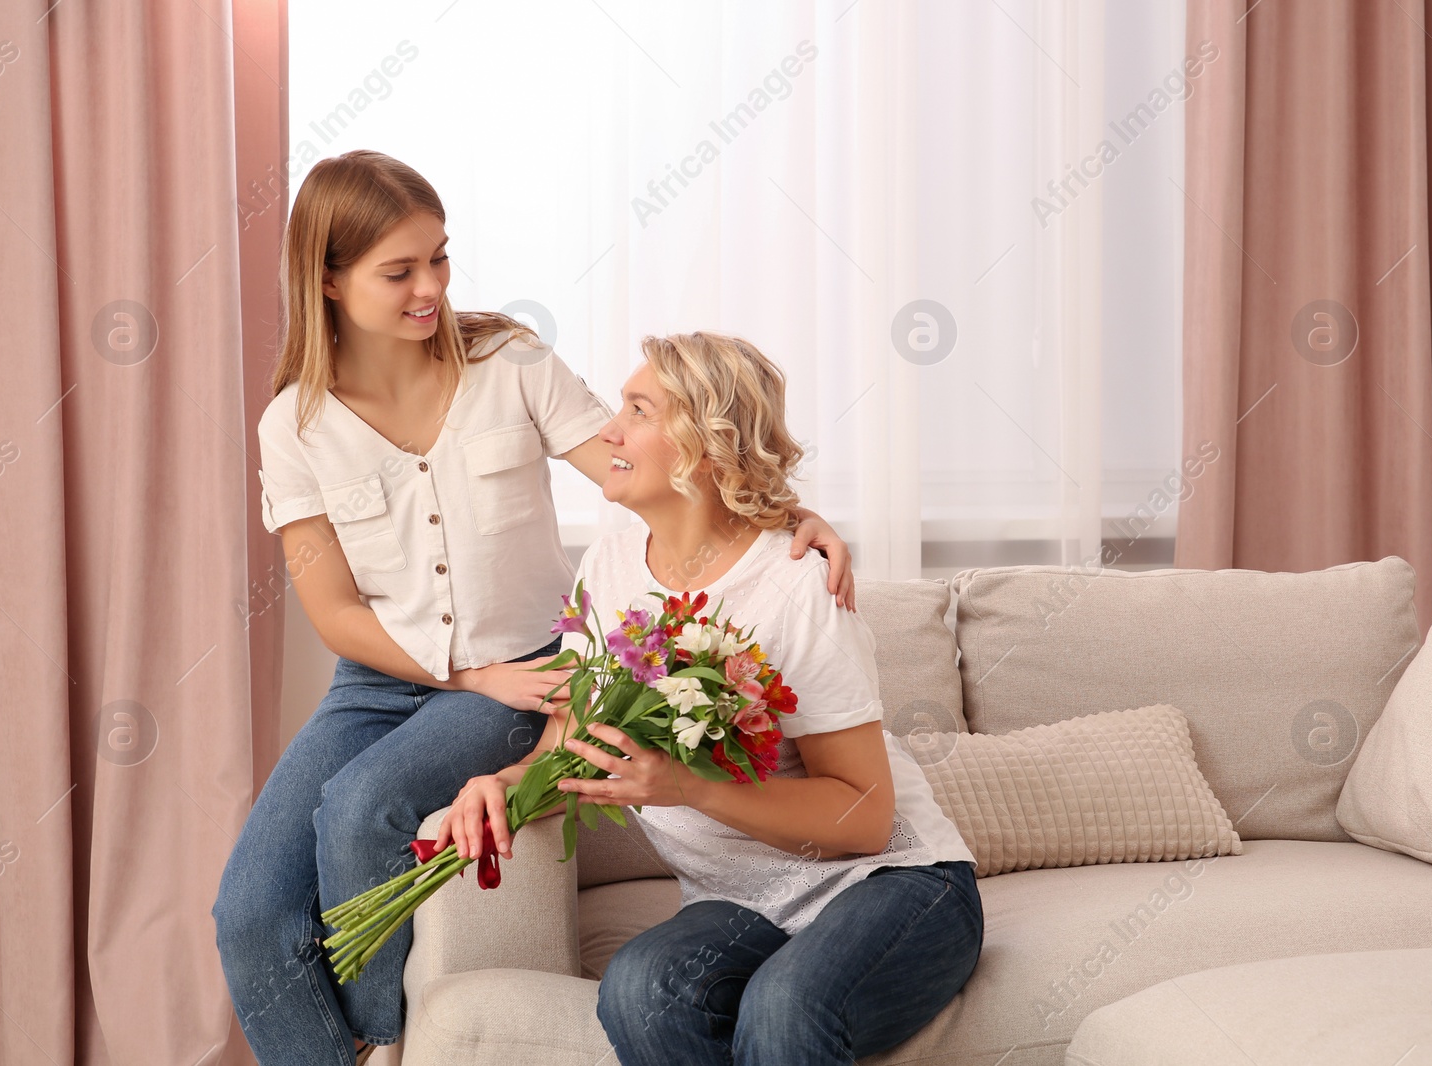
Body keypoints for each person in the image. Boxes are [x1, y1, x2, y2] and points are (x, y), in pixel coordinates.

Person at [212, 152, 856, 1066]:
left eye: (439, 258)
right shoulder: (295, 425)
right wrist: (468, 676)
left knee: (362, 809)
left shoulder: (509, 365)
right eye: (399, 271)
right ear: (327, 276)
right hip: (387, 682)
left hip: (532, 669)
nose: (430, 286)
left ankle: (383, 1047)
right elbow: (335, 611)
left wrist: (792, 513)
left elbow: (656, 469)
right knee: (245, 912)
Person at [436, 331, 980, 1065]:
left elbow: (865, 818)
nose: (608, 431)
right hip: (739, 902)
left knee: (784, 1012)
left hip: (890, 885)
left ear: (704, 445)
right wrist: (498, 786)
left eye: (637, 410)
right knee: (639, 990)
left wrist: (687, 788)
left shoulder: (796, 583)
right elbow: (573, 736)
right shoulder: (613, 561)